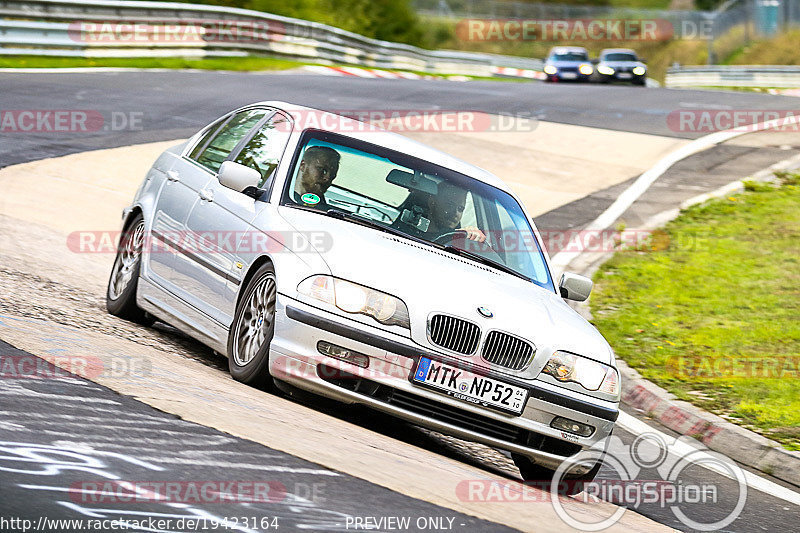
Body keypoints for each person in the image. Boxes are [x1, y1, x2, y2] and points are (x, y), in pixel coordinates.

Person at [395, 181, 487, 243]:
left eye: (460, 208)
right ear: (432, 203)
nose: (455, 213)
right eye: (450, 205)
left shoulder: (458, 242)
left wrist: (473, 236)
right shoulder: (401, 234)